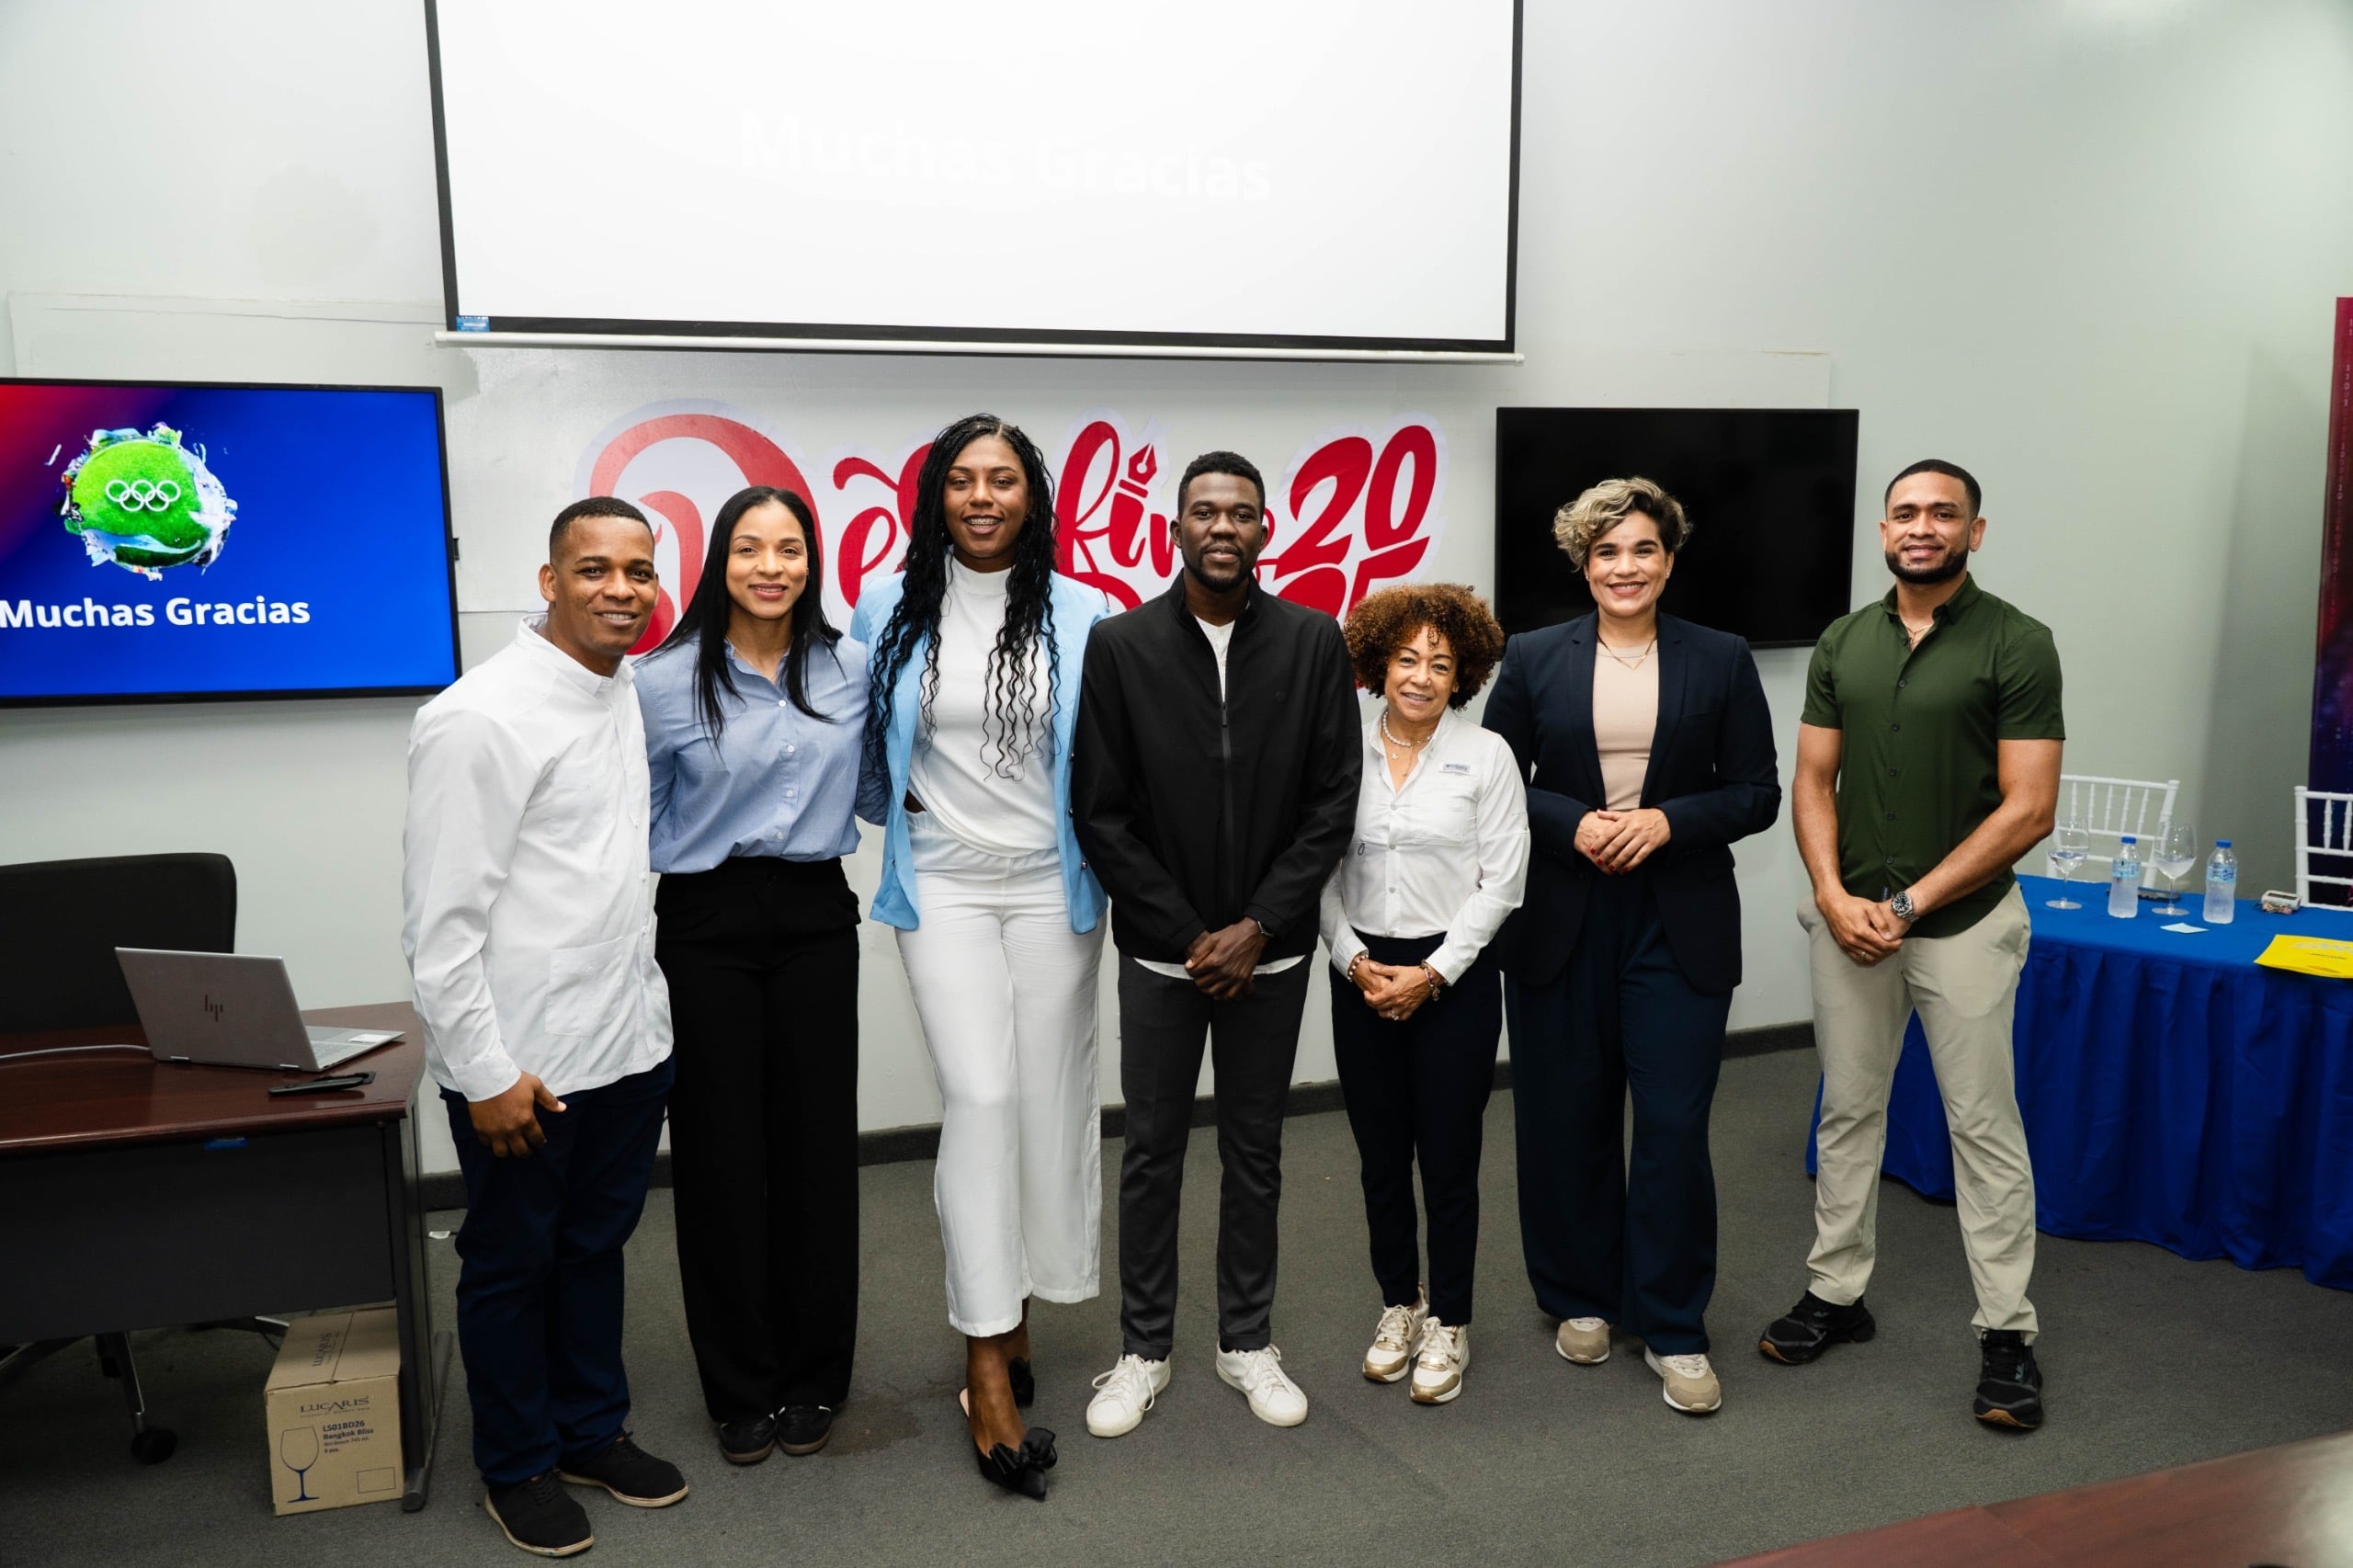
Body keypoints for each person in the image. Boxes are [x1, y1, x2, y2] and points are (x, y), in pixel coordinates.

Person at [403, 497, 688, 1558]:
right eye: (595, 569)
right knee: (510, 1263)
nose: (620, 588)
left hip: (623, 1041)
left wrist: (647, 1035)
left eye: (638, 570)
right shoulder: (480, 716)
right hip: (521, 1064)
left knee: (593, 1251)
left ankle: (588, 1430)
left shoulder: (617, 691)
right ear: (549, 578)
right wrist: (483, 1072)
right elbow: (439, 928)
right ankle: (516, 1459)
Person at [1760, 459, 2061, 1432]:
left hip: (1964, 926)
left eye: (1942, 513)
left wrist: (1912, 899)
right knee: (1847, 1112)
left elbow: (2029, 807)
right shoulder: (1844, 639)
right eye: (1904, 513)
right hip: (1851, 924)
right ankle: (1836, 1294)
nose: (1920, 526)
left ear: (1975, 531)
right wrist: (1830, 892)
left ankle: (2007, 1333)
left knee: (1983, 1128)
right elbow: (1811, 780)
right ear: (1882, 529)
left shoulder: (2017, 642)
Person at [850, 414, 1113, 1501]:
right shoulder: (884, 604)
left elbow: (1112, 754)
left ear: (1031, 495)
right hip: (945, 883)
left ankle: (1015, 1307)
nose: (981, 496)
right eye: (960, 480)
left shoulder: (1087, 611)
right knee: (980, 1093)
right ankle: (983, 1354)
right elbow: (861, 743)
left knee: (1049, 1101)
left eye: (1002, 479)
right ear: (935, 498)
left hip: (1054, 885)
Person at [1074, 450, 1361, 1438]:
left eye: (1240, 512)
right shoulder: (1119, 645)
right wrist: (1193, 933)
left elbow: (1331, 803)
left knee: (1256, 1150)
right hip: (1164, 958)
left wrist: (1259, 926)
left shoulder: (1314, 641)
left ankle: (1246, 1339)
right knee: (1150, 1152)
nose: (1222, 527)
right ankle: (1142, 1348)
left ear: (1265, 529)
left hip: (1271, 957)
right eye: (1204, 511)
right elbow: (1101, 813)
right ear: (1176, 529)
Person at [1483, 477, 1780, 1417]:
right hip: (1561, 911)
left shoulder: (1721, 657)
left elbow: (1755, 791)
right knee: (1564, 1115)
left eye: (1643, 548)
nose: (1626, 566)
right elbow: (1490, 779)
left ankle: (1673, 1321)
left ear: (1669, 559)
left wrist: (1666, 820)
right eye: (1607, 551)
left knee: (1670, 1126)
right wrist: (1572, 820)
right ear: (1582, 562)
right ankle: (1578, 1295)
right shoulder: (1531, 657)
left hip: (1676, 918)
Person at [636, 485, 883, 1466]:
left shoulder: (850, 665)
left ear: (810, 559)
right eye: (749, 548)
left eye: (789, 547)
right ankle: (738, 1385)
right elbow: (638, 823)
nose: (770, 566)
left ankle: (815, 1372)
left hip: (817, 914)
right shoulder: (659, 680)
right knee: (719, 1158)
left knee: (819, 1153)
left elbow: (871, 788)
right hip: (703, 924)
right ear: (719, 561)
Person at [1320, 583, 1527, 1406]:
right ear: (1378, 663)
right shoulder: (1340, 752)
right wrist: (1350, 960)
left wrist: (1436, 971)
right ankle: (1400, 1306)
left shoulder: (1488, 757)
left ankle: (1453, 1321)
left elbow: (1503, 881)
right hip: (1362, 974)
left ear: (1463, 672)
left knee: (1449, 1158)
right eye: (1407, 659)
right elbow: (1319, 872)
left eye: (1440, 663)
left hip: (1456, 981)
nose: (1421, 676)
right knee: (1379, 1159)